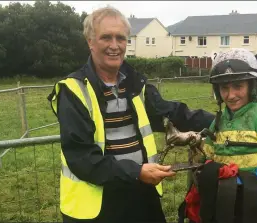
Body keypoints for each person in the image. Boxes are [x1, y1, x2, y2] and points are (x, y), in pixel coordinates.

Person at [47, 6, 215, 223]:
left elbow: (173, 114)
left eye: (121, 38)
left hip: (141, 195)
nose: (114, 46)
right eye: (106, 37)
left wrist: (222, 120)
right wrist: (136, 172)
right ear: (90, 41)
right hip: (96, 207)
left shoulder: (134, 83)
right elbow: (82, 157)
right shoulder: (73, 90)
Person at [176, 48, 257, 223]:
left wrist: (245, 182)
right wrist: (196, 148)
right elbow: (208, 157)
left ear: (252, 86)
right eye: (224, 88)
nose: (231, 95)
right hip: (222, 208)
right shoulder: (219, 121)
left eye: (238, 86)